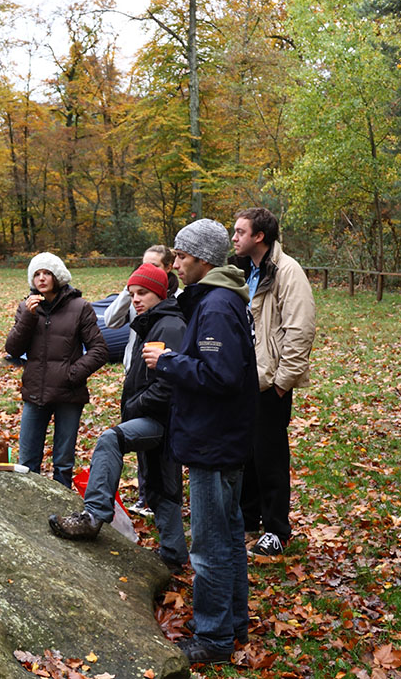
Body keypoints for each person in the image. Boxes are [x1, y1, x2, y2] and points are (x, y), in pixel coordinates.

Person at [142, 218, 257, 665]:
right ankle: (232, 624)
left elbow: (221, 375)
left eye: (182, 257)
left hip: (214, 441)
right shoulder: (222, 300)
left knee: (210, 546)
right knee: (228, 537)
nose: (175, 265)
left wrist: (168, 361)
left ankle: (213, 638)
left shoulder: (215, 307)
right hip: (222, 438)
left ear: (203, 259)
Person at [48, 262, 189, 573]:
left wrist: (134, 407)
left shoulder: (170, 326)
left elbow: (169, 387)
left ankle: (93, 516)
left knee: (112, 439)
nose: (136, 299)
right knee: (160, 487)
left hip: (162, 420)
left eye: (143, 293)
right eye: (132, 293)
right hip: (151, 415)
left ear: (159, 293)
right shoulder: (150, 322)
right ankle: (174, 556)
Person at [231, 207, 317, 557]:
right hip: (243, 380)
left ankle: (277, 530)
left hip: (271, 383)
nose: (234, 238)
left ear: (259, 236)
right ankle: (248, 519)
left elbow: (300, 330)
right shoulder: (242, 270)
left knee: (270, 458)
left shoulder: (287, 271)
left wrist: (283, 383)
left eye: (240, 232)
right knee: (246, 455)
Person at [4, 253, 108, 488]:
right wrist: (28, 318)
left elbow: (99, 350)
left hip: (68, 395)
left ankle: (62, 508)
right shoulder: (26, 307)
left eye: (47, 273)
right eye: (37, 274)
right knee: (28, 461)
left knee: (63, 462)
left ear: (57, 276)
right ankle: (28, 508)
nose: (41, 278)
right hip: (35, 393)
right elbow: (13, 348)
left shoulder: (80, 307)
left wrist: (71, 375)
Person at [103, 244, 179, 516]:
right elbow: (111, 320)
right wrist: (132, 288)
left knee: (156, 454)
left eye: (154, 266)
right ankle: (146, 496)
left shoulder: (172, 312)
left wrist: (137, 404)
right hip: (135, 373)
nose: (146, 270)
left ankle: (151, 501)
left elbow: (168, 383)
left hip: (154, 391)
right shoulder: (138, 297)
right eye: (141, 265)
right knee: (145, 453)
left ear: (167, 269)